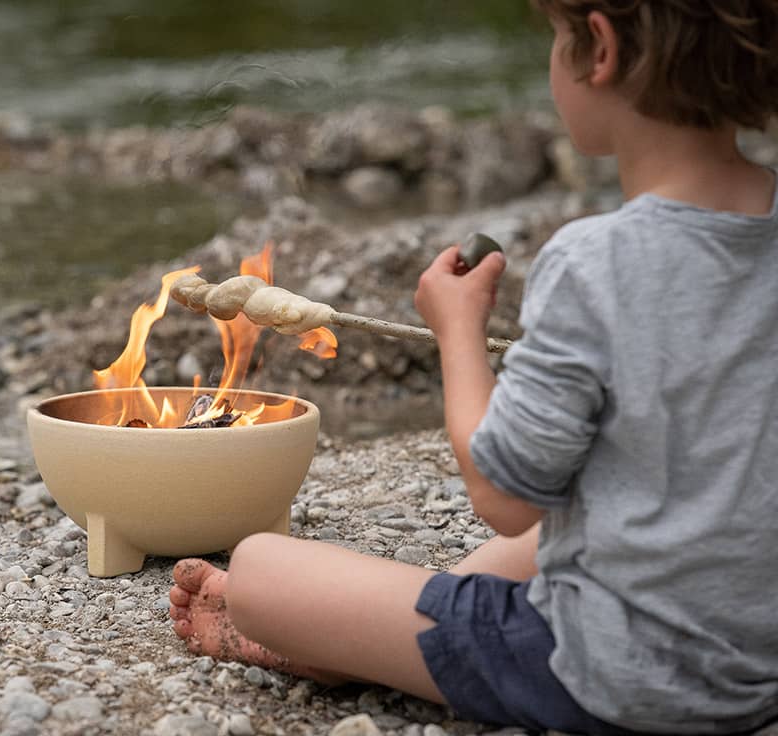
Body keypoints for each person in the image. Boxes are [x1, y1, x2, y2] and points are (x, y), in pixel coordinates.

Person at [167, 1, 778, 733]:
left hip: (619, 675)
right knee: (565, 525)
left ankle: (355, 641)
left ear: (601, 50)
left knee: (263, 569)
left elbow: (506, 494)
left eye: (557, 38)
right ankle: (384, 631)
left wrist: (459, 332)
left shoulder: (597, 261)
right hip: (759, 648)